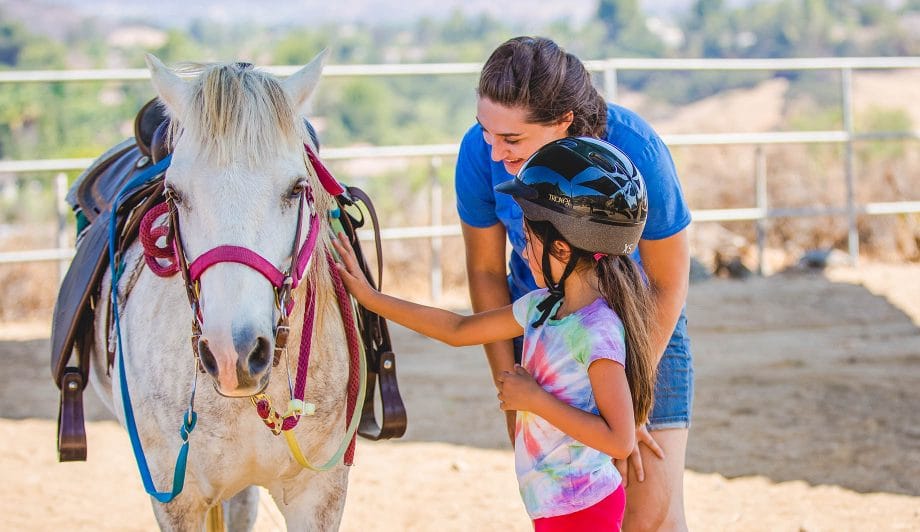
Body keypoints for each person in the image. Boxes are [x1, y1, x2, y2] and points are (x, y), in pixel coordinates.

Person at [334, 137, 658, 530]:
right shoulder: (543, 306)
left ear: (561, 249)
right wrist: (371, 298)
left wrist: (536, 400)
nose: (523, 252)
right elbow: (458, 329)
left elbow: (620, 440)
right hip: (556, 505)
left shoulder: (596, 333)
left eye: (529, 240)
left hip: (582, 507)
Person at [454, 36, 692, 530]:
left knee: (652, 514)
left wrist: (631, 397)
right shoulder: (482, 152)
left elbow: (668, 282)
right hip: (549, 334)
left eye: (513, 141)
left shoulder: (635, 148)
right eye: (485, 131)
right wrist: (512, 397)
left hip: (644, 332)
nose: (493, 153)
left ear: (563, 121)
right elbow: (484, 273)